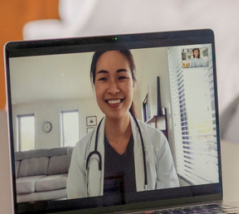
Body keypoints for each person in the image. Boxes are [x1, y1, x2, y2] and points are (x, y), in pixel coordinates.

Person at [67, 49, 179, 199]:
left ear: (133, 83)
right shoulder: (81, 151)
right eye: (103, 79)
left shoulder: (158, 142)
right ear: (94, 86)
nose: (113, 89)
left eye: (121, 77)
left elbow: (170, 205)